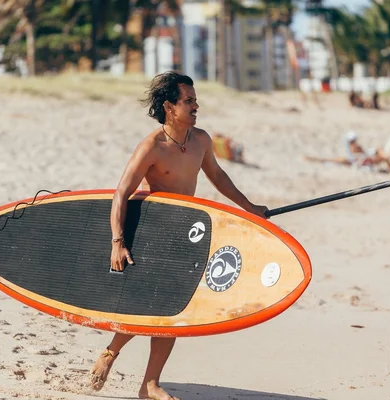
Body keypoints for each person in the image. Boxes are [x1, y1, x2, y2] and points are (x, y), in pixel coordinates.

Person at [89, 71, 269, 400]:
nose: (196, 106)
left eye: (195, 100)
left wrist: (249, 207)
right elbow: (121, 194)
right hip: (153, 233)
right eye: (189, 101)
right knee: (148, 307)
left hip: (187, 235)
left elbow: (218, 176)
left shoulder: (200, 139)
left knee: (173, 313)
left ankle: (149, 385)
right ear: (170, 107)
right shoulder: (151, 147)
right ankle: (111, 352)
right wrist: (117, 242)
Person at [304, 131, 390, 175]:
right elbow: (363, 156)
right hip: (365, 160)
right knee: (383, 154)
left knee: (381, 152)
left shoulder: (352, 147)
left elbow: (362, 154)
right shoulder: (355, 147)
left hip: (364, 159)